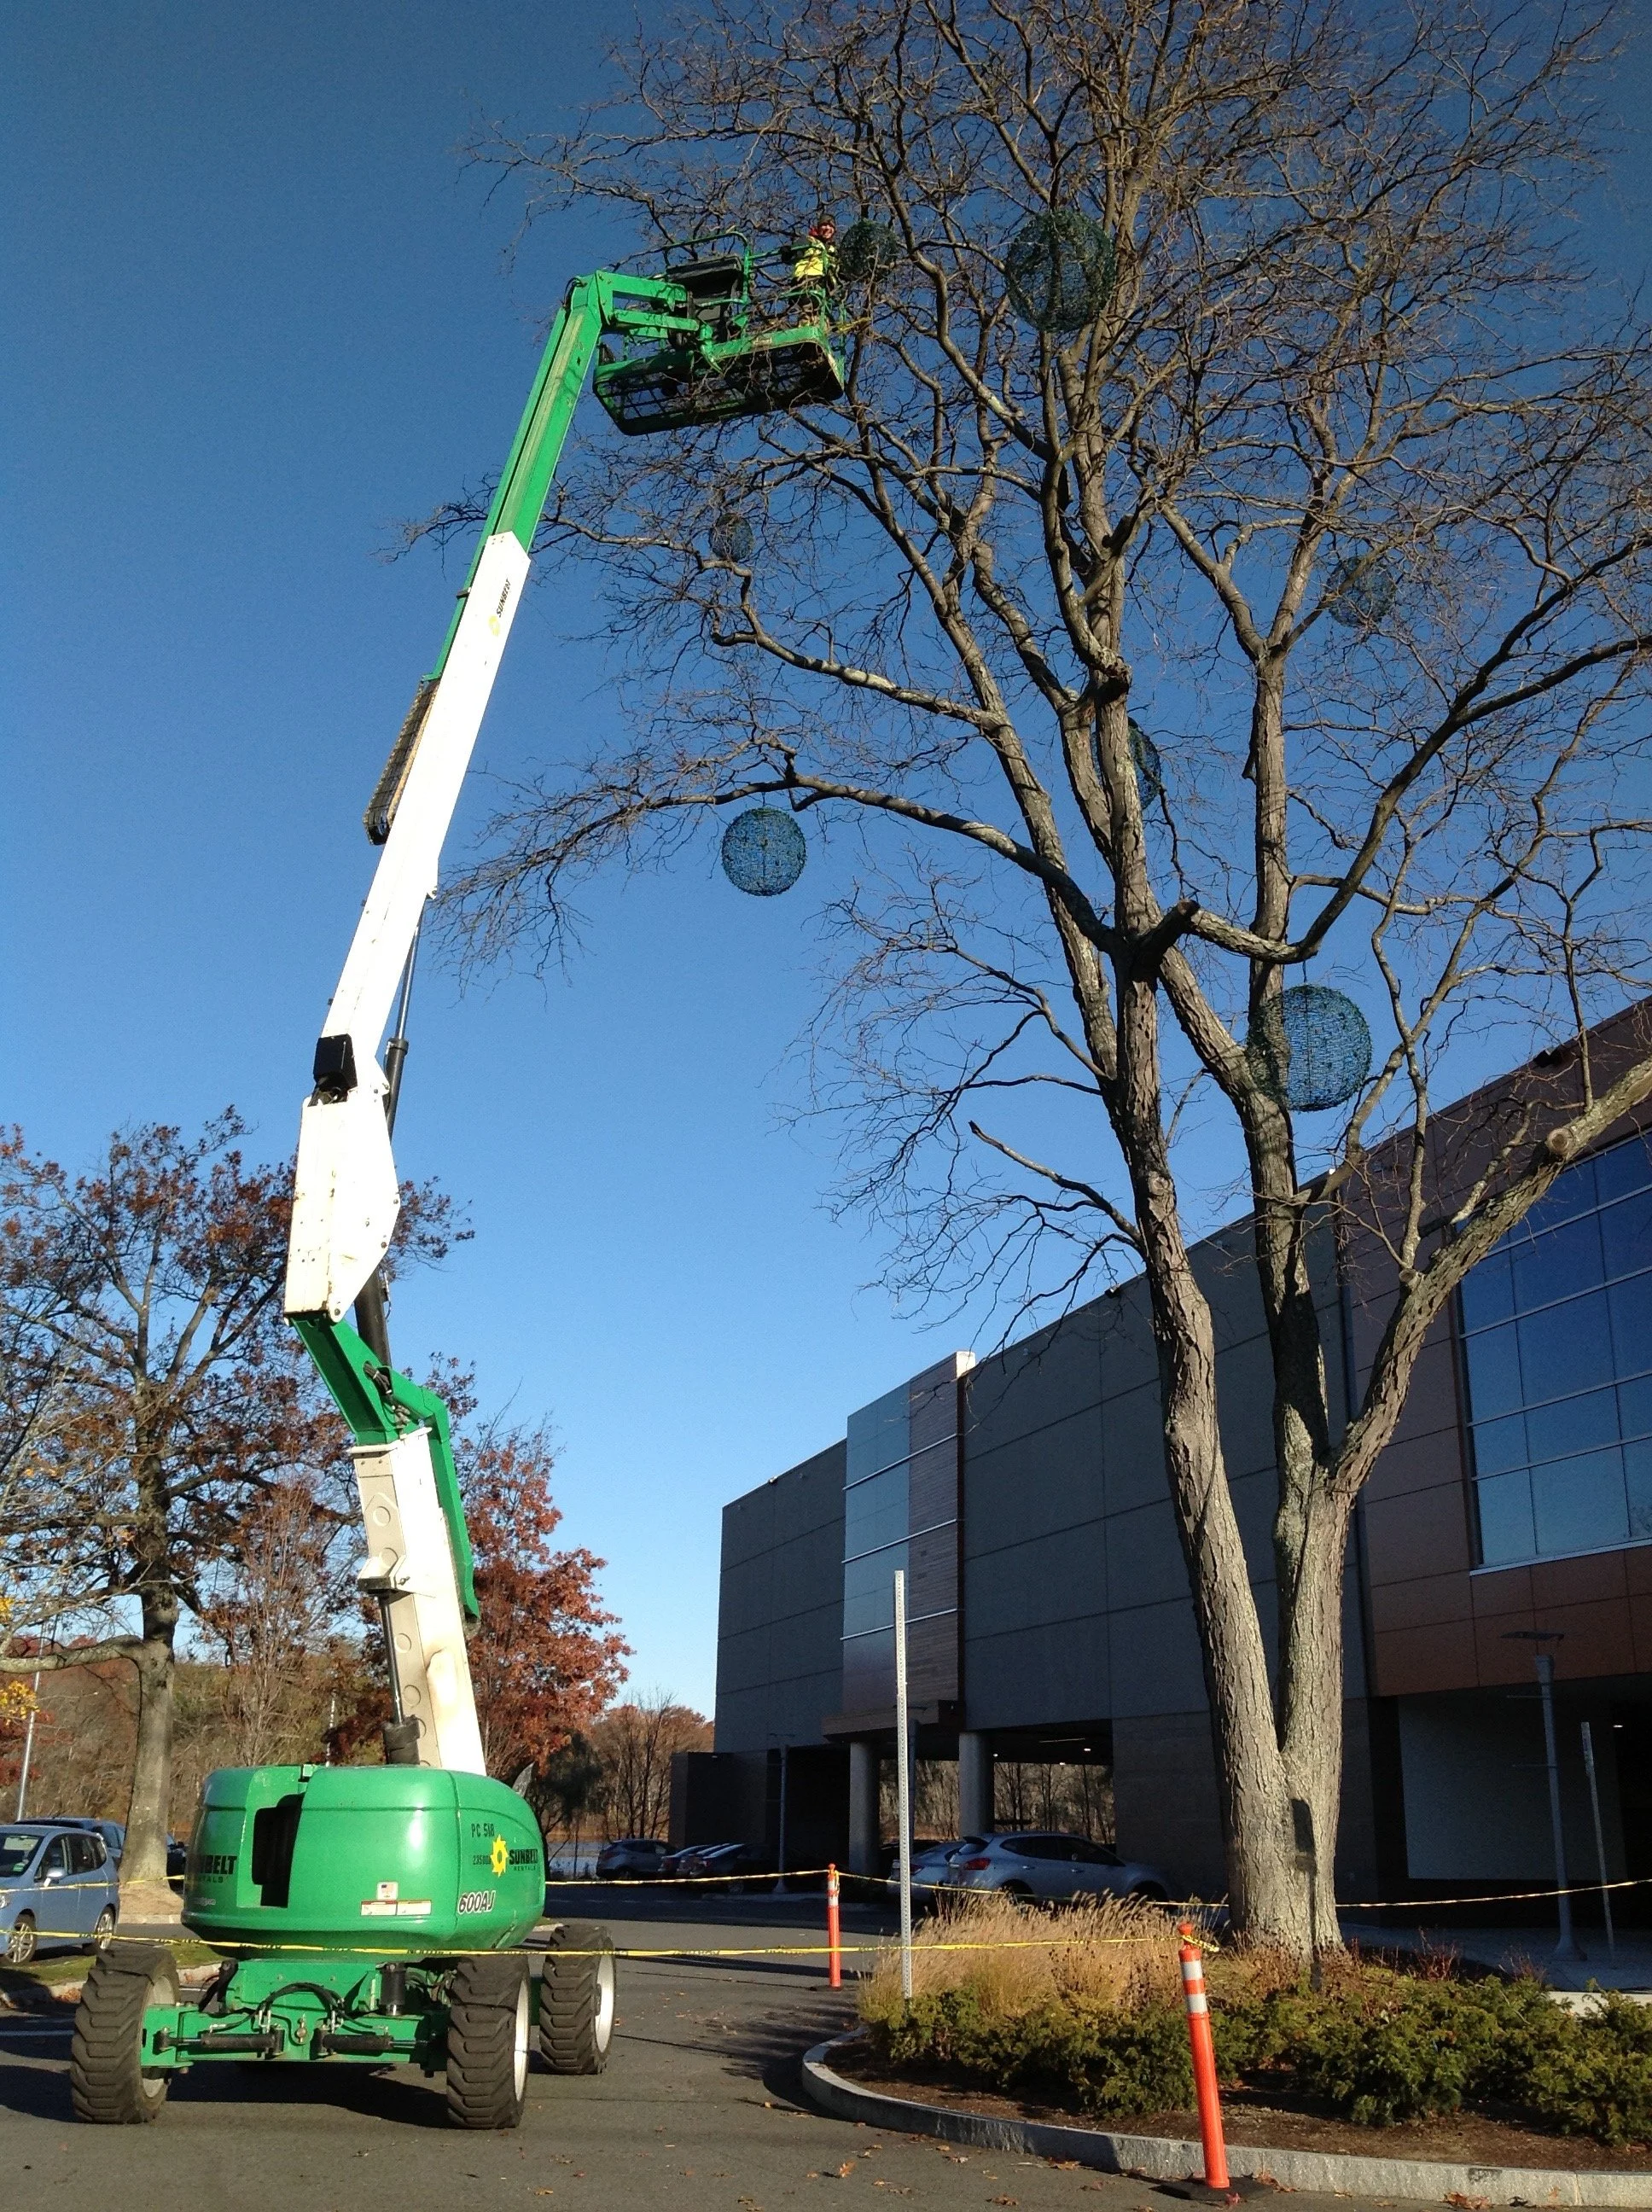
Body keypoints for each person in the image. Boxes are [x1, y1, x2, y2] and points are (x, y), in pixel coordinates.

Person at [791, 214, 838, 292]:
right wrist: (788, 251)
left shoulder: (834, 251)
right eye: (824, 225)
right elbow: (793, 254)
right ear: (818, 228)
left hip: (827, 289)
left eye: (831, 226)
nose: (827, 228)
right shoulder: (809, 240)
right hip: (806, 280)